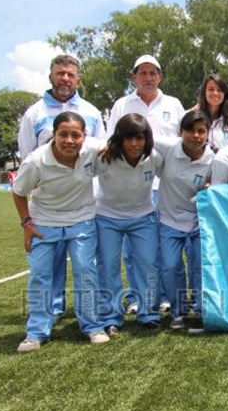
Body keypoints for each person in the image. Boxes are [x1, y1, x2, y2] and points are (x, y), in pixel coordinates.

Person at [16, 54, 106, 324]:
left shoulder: (90, 111)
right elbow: (25, 154)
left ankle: (88, 320)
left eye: (70, 74)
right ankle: (51, 313)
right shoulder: (34, 113)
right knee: (46, 268)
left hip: (81, 206)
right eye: (60, 73)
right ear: (51, 76)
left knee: (85, 268)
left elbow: (101, 151)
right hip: (46, 206)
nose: (65, 78)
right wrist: (26, 221)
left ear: (78, 79)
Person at [13, 112, 108, 352]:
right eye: (63, 134)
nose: (69, 140)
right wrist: (26, 223)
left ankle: (92, 326)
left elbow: (112, 146)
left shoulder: (93, 149)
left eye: (75, 135)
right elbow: (19, 191)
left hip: (82, 220)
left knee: (86, 271)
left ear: (84, 136)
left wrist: (110, 148)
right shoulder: (36, 160)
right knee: (40, 276)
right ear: (53, 135)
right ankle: (36, 332)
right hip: (44, 222)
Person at [106, 54, 185, 314]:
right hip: (132, 185)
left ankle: (160, 295)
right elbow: (111, 142)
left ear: (160, 76)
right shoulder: (122, 104)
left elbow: (181, 143)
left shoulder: (173, 104)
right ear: (134, 77)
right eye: (143, 73)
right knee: (131, 251)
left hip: (164, 185)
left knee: (157, 248)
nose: (148, 78)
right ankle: (136, 297)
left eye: (153, 73)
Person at [95, 113, 164, 336]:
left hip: (143, 217)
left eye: (139, 138)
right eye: (128, 138)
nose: (134, 144)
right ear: (119, 139)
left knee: (149, 265)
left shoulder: (154, 157)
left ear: (146, 139)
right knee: (108, 266)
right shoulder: (104, 156)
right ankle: (111, 317)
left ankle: (149, 314)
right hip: (107, 217)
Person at [153, 111, 214, 331]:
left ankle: (200, 308)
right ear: (181, 132)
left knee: (199, 267)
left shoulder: (213, 159)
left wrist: (209, 188)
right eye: (191, 130)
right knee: (170, 267)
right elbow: (141, 133)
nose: (196, 136)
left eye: (201, 131)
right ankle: (178, 311)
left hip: (199, 222)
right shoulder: (168, 147)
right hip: (169, 219)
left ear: (208, 133)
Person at [193, 74, 228, 151]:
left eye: (219, 90)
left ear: (225, 94)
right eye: (211, 89)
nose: (215, 93)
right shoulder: (193, 116)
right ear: (204, 92)